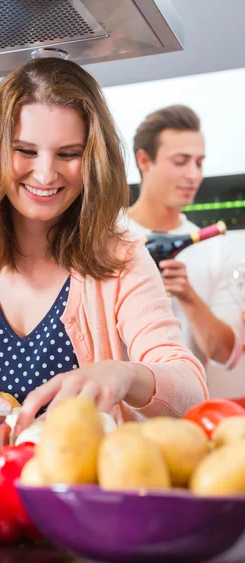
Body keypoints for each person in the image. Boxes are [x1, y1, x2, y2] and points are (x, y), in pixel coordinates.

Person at [0, 57, 207, 436]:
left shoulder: (121, 257)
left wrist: (124, 374)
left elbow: (190, 389)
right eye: (25, 151)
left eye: (68, 154)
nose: (45, 173)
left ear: (93, 159)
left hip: (78, 489)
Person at [126, 105, 243, 379]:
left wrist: (188, 295)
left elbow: (226, 355)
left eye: (199, 163)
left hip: (189, 419)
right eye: (181, 161)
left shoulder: (216, 249)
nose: (194, 175)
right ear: (144, 161)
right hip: (112, 417)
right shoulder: (104, 238)